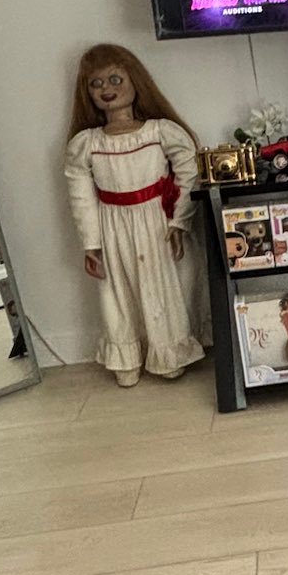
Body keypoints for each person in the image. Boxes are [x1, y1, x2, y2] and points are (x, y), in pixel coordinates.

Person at [63, 42, 208, 386]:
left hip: (155, 221)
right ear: (87, 93)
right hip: (112, 224)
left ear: (134, 81)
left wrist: (179, 221)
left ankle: (169, 352)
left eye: (115, 79)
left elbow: (188, 171)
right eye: (96, 84)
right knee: (117, 293)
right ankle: (126, 356)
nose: (107, 89)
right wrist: (91, 243)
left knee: (163, 287)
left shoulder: (159, 132)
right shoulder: (87, 143)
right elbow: (81, 197)